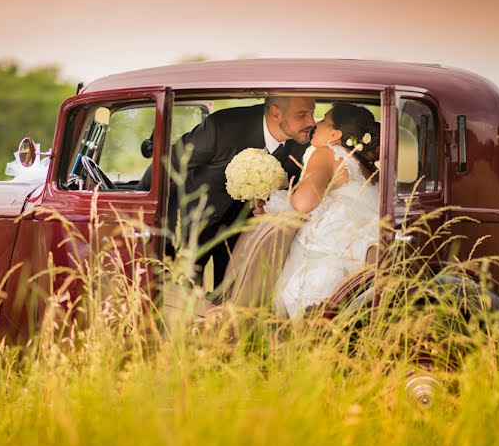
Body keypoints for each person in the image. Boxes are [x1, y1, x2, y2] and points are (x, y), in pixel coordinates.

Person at [140, 96, 316, 287]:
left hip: (241, 236)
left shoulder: (303, 145)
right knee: (174, 296)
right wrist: (140, 211)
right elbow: (168, 165)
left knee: (229, 297)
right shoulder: (223, 127)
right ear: (275, 112)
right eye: (302, 115)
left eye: (312, 113)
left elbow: (296, 190)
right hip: (190, 224)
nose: (312, 122)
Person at [264, 103, 381, 318]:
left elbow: (303, 203)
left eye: (324, 120)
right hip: (360, 255)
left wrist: (272, 205)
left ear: (335, 134)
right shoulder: (368, 167)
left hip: (326, 253)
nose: (316, 124)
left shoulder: (326, 153)